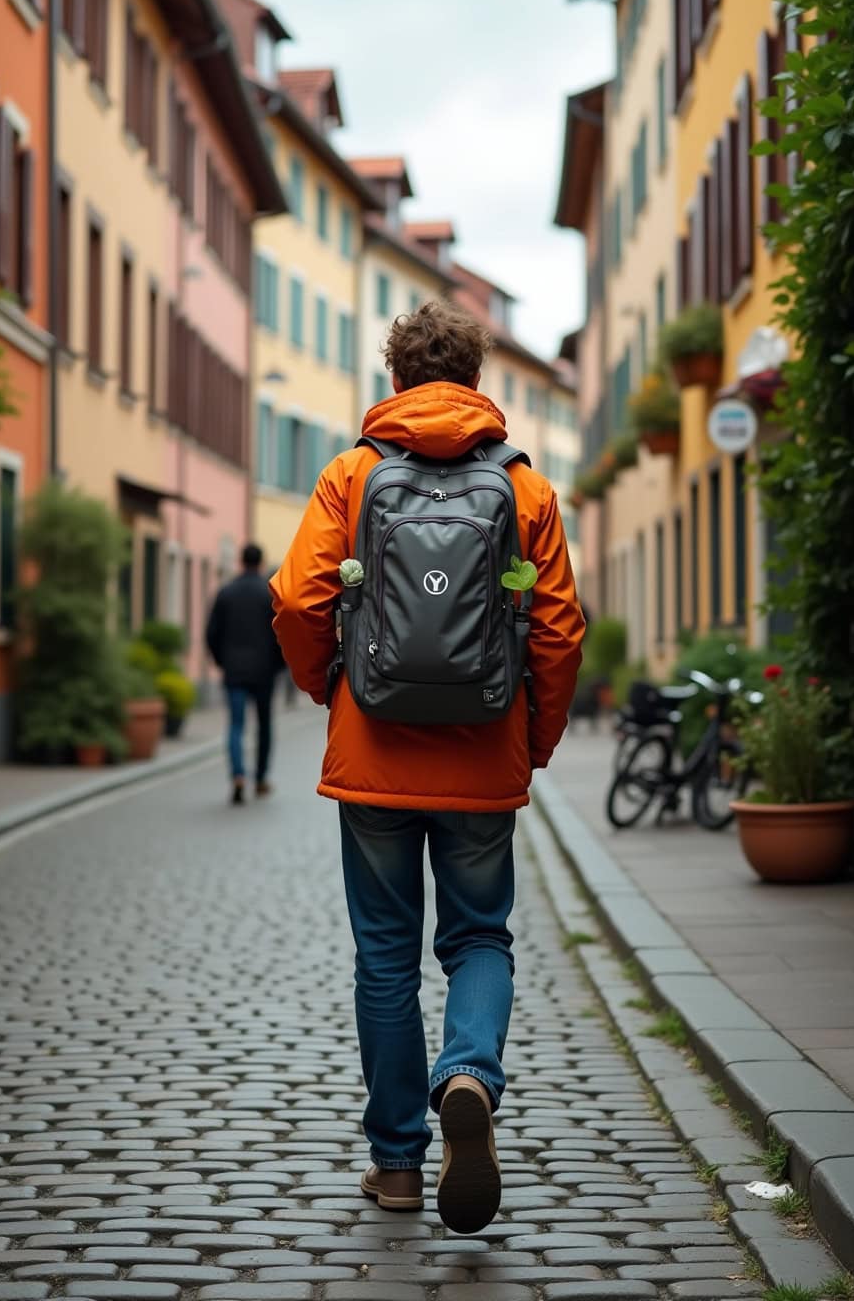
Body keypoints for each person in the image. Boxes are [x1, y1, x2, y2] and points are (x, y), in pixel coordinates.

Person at [270, 301, 584, 1232]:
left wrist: (329, 686)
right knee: (481, 936)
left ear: (395, 375)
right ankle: (470, 1076)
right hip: (484, 754)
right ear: (477, 380)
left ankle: (398, 1165)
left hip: (373, 753)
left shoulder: (352, 474)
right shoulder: (526, 490)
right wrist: (536, 740)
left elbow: (297, 599)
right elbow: (559, 630)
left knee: (384, 957)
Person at [205, 543, 282, 805]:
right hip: (264, 671)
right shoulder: (269, 594)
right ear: (261, 563)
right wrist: (279, 665)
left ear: (240, 561)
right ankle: (260, 778)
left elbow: (211, 633)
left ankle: (238, 775)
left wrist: (222, 661)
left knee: (236, 726)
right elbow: (281, 632)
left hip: (234, 671)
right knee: (264, 727)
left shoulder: (226, 593)